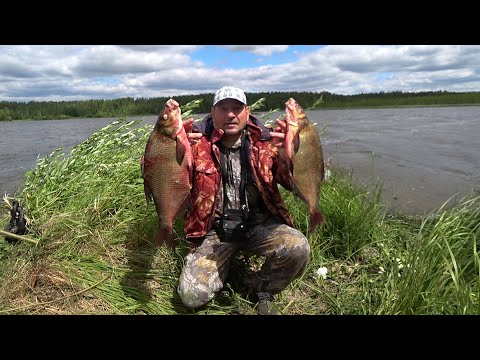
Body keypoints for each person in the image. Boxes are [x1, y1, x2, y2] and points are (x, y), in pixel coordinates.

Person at [177, 86, 312, 315]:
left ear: (247, 111)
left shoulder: (268, 141)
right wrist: (173, 150)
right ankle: (227, 269)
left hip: (259, 225)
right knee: (191, 296)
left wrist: (290, 156)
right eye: (224, 108)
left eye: (237, 108)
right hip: (215, 232)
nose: (231, 114)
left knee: (297, 248)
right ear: (213, 111)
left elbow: (295, 186)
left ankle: (260, 287)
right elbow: (154, 170)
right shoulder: (194, 142)